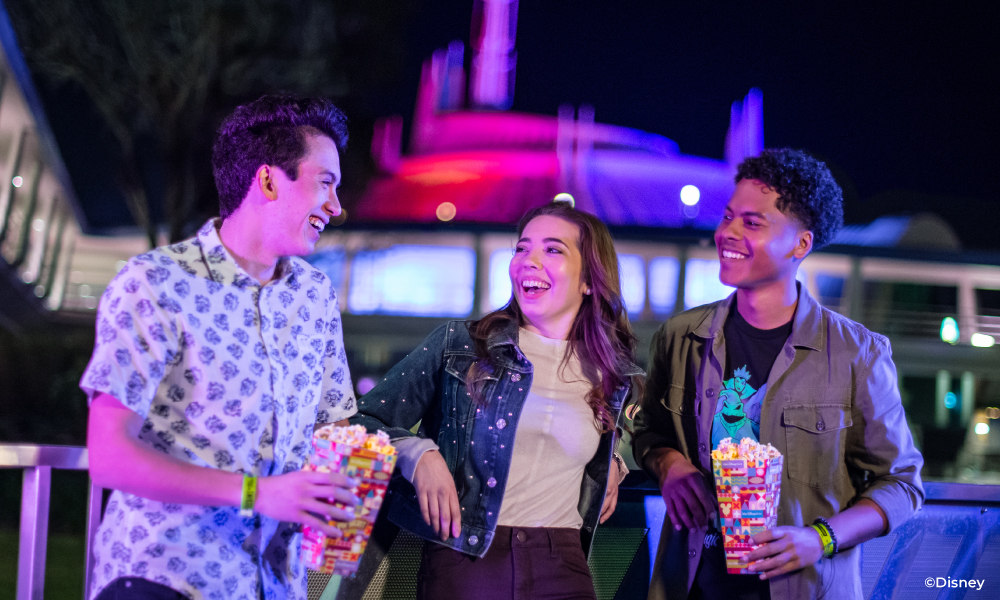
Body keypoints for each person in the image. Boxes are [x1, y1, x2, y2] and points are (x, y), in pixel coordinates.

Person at [81, 95, 360, 600]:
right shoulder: (156, 282)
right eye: (326, 183)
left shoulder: (315, 295)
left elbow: (332, 431)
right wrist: (257, 494)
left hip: (275, 585)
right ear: (269, 179)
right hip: (165, 578)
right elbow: (108, 455)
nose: (336, 208)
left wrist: (383, 465)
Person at [632, 148, 924, 600]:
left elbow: (903, 484)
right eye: (728, 216)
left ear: (800, 245)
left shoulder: (857, 352)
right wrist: (668, 464)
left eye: (752, 223)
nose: (726, 232)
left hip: (807, 589)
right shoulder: (679, 337)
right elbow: (649, 433)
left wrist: (821, 538)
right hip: (691, 586)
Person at [349, 200, 643, 600]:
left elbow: (584, 443)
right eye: (522, 248)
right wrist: (416, 453)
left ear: (589, 279)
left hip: (563, 562)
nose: (529, 261)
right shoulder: (461, 345)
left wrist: (613, 462)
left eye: (553, 250)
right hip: (466, 560)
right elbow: (361, 423)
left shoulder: (611, 372)